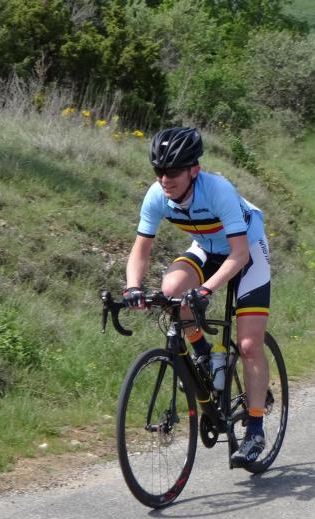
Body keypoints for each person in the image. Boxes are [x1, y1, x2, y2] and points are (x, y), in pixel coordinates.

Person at [123, 127, 272, 464]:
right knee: (171, 291)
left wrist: (207, 289)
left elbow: (238, 255)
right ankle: (203, 351)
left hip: (247, 250)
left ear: (194, 170)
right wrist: (133, 287)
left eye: (173, 171)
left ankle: (255, 429)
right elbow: (140, 251)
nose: (165, 179)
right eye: (159, 171)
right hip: (206, 247)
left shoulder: (218, 190)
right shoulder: (157, 195)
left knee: (248, 345)